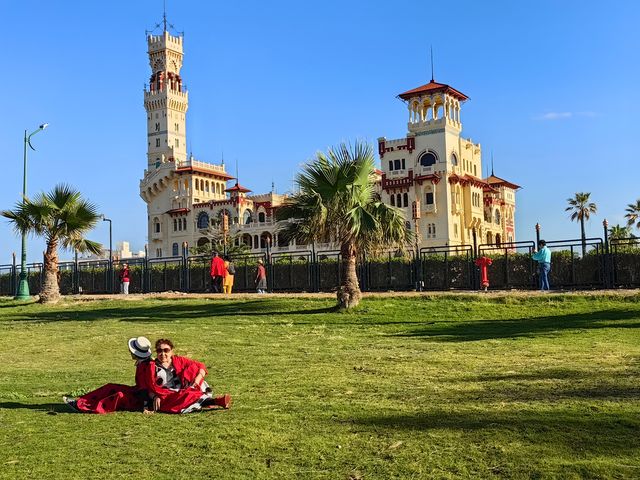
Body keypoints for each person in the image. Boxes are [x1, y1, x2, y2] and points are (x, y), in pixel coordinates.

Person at [136, 338, 231, 414]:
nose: (163, 354)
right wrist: (154, 397)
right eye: (159, 351)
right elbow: (149, 386)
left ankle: (212, 401)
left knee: (192, 370)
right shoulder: (152, 366)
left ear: (171, 351)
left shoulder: (178, 360)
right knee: (185, 395)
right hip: (166, 395)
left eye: (166, 350)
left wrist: (197, 380)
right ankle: (216, 401)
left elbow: (201, 366)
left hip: (183, 387)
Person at [63, 336, 154, 414]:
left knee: (119, 395)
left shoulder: (145, 367)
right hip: (137, 392)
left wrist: (145, 406)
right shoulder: (143, 363)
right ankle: (81, 401)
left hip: (141, 399)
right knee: (110, 387)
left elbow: (144, 389)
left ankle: (88, 408)